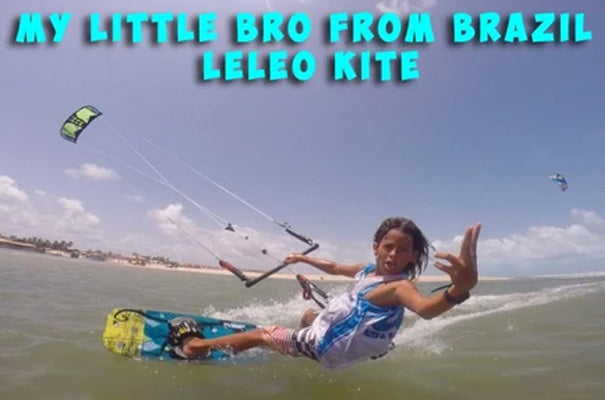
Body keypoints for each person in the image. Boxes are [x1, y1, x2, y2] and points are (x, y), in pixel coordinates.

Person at [169, 217, 481, 369]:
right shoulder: (366, 271)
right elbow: (333, 267)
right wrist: (303, 259)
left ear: (412, 256)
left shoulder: (399, 286)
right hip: (362, 344)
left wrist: (459, 289)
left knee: (262, 334)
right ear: (376, 246)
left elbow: (425, 309)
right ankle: (295, 343)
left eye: (403, 251)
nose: (393, 255)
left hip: (331, 348)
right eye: (388, 246)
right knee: (309, 315)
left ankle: (196, 348)